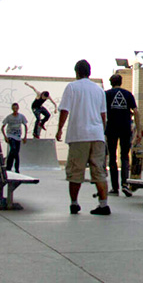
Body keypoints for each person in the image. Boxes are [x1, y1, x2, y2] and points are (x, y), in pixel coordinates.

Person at [56, 59, 111, 215]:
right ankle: (103, 204)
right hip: (97, 135)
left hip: (79, 135)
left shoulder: (72, 87)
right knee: (99, 171)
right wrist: (102, 132)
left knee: (75, 171)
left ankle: (74, 203)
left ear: (77, 72)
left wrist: (59, 129)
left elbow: (64, 110)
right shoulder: (99, 90)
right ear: (89, 72)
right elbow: (103, 115)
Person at [104, 73, 143, 197]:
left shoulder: (106, 94)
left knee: (112, 158)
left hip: (111, 128)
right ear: (121, 82)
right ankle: (125, 184)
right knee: (125, 156)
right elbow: (136, 112)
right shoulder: (128, 94)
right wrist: (138, 129)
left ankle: (115, 188)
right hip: (126, 128)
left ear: (111, 83)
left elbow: (102, 112)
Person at [1, 103, 29, 173]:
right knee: (13, 149)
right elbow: (2, 127)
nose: (15, 110)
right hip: (11, 136)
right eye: (14, 108)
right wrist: (5, 137)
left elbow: (25, 126)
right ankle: (12, 168)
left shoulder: (21, 116)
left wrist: (25, 136)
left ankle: (12, 167)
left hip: (18, 137)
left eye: (16, 108)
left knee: (15, 152)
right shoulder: (9, 117)